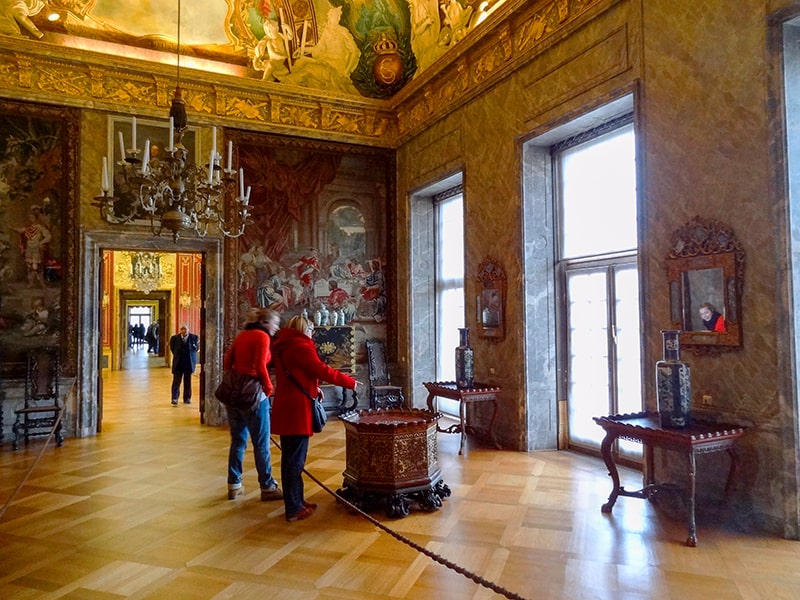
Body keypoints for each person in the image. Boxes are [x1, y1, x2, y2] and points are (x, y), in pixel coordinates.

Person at [271, 315, 360, 522]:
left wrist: (314, 387)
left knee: (290, 458)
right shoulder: (301, 346)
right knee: (295, 460)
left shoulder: (284, 345)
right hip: (297, 409)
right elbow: (322, 369)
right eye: (311, 329)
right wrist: (350, 383)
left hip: (288, 404)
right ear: (304, 329)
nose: (312, 333)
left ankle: (297, 501)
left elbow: (298, 372)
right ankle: (293, 508)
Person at [223, 307, 283, 501]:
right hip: (254, 394)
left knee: (238, 440)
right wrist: (268, 388)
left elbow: (227, 361)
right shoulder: (262, 337)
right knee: (261, 443)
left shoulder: (242, 335)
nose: (277, 327)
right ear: (265, 322)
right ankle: (267, 486)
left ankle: (234, 484)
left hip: (234, 393)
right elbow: (259, 366)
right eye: (275, 323)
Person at [169, 323, 199, 405]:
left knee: (187, 382)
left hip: (188, 363)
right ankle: (174, 398)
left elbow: (196, 349)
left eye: (185, 329)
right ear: (180, 330)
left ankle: (187, 398)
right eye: (182, 329)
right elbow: (172, 349)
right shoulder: (174, 338)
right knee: (176, 381)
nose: (183, 331)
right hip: (178, 363)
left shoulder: (194, 338)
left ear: (188, 329)